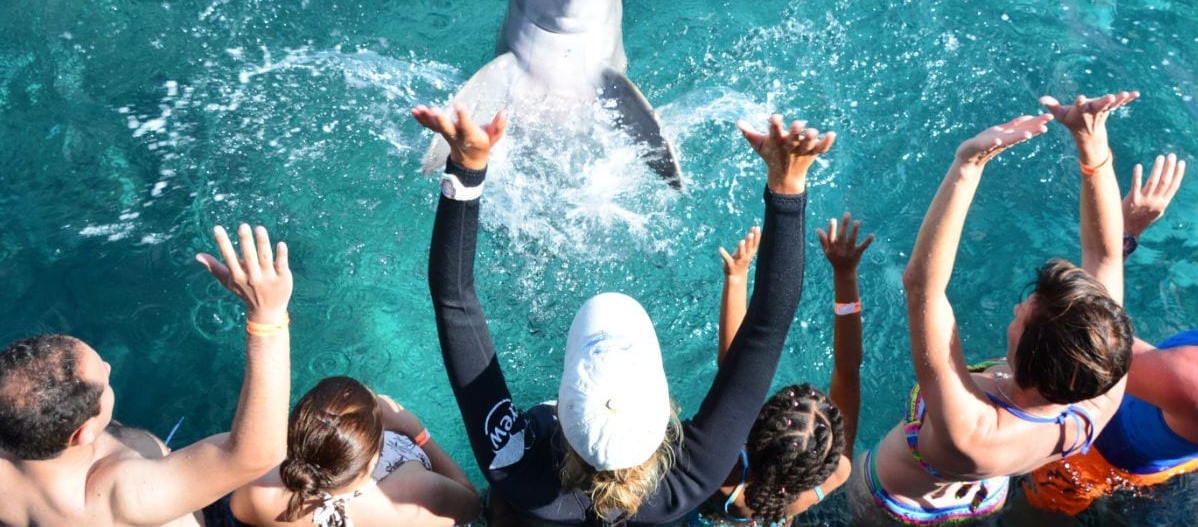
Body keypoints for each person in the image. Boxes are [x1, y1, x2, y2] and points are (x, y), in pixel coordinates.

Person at [413, 103, 834, 524]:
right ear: (662, 403)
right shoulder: (690, 479)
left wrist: (467, 169)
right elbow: (767, 327)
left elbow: (454, 300)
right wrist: (787, 184)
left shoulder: (513, 463)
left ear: (564, 399)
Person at [846, 92, 1139, 525]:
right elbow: (1107, 256)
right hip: (985, 487)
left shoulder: (971, 432)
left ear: (1028, 351)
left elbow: (923, 287)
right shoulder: (1098, 386)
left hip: (892, 503)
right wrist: (1091, 144)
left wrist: (967, 165)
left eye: (1027, 311)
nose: (1020, 306)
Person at [0, 224, 291, 526]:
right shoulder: (118, 495)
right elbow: (256, 455)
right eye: (105, 381)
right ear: (81, 434)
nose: (110, 367)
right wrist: (267, 315)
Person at [1024, 152, 1198, 515]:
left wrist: (1126, 233)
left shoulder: (1190, 377)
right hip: (1163, 454)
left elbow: (1076, 330)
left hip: (1078, 465)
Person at [698, 212, 871, 524]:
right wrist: (846, 277)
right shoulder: (837, 474)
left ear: (754, 429)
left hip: (721, 511)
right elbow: (848, 370)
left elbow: (732, 372)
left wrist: (736, 278)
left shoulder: (724, 476)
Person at [223, 375, 480, 526]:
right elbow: (473, 505)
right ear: (370, 464)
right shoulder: (419, 493)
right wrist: (417, 431)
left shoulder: (259, 494)